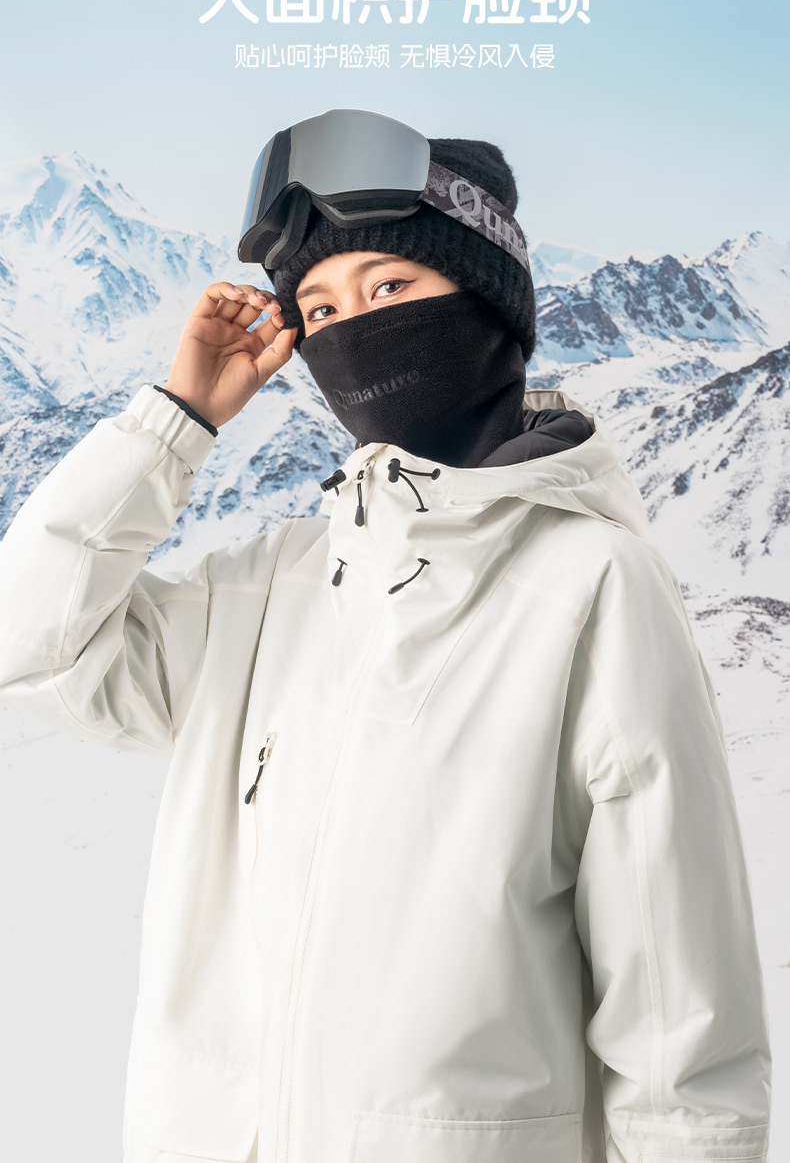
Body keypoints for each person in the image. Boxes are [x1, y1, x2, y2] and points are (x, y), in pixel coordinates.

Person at [0, 111, 771, 1163]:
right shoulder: (269, 588)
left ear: (486, 303)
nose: (353, 330)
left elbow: (678, 1017)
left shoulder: (591, 586)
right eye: (319, 307)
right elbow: (32, 642)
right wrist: (176, 420)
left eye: (390, 287)